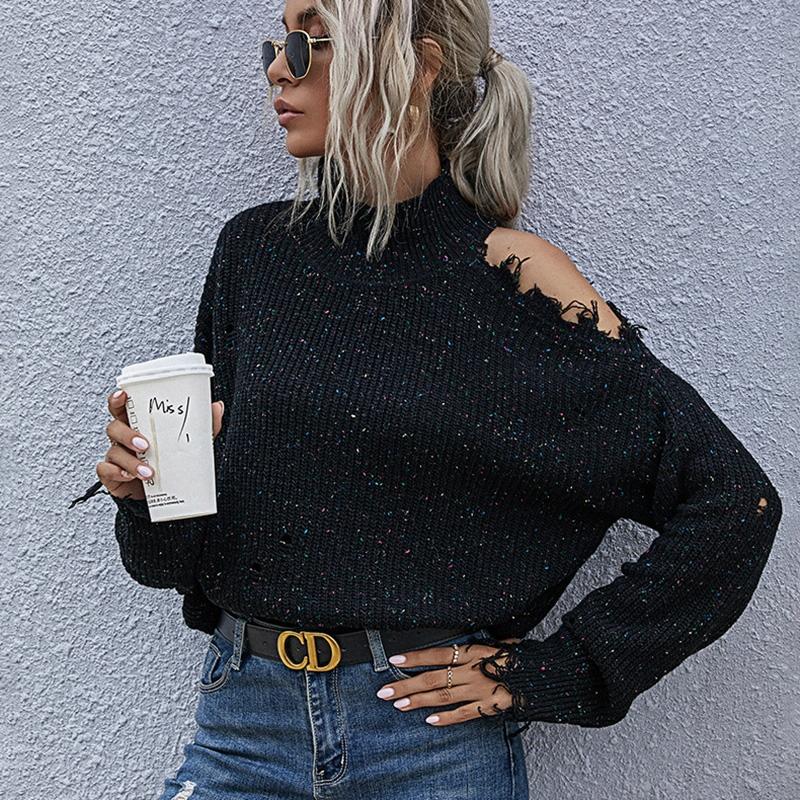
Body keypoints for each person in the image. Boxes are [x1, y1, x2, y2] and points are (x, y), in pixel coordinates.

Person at [69, 1, 783, 798]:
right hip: (243, 728)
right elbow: (168, 564)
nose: (277, 66)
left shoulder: (515, 278)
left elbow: (735, 503)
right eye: (279, 41)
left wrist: (557, 671)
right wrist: (143, 495)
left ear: (419, 65)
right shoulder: (255, 254)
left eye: (310, 41)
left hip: (430, 750)